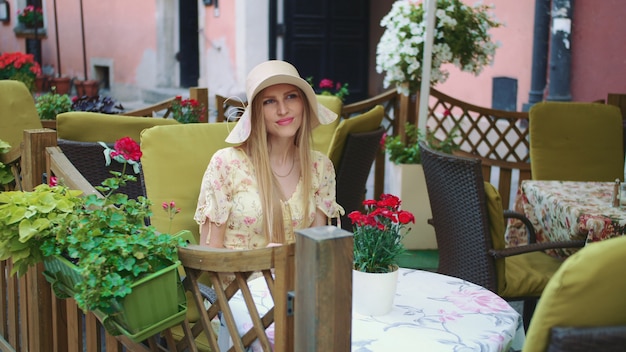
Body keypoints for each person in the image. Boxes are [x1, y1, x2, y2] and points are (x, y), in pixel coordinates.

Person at [194, 60, 344, 249]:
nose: (283, 110)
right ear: (257, 112)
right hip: (241, 277)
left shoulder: (320, 166)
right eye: (269, 101)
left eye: (291, 97)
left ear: (303, 104)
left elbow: (315, 250)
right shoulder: (226, 164)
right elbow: (209, 254)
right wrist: (263, 262)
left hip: (296, 277)